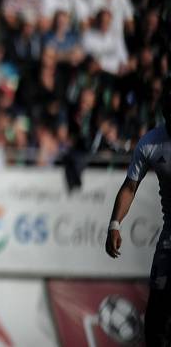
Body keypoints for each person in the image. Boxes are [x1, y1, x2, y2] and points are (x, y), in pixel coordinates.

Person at [105, 79, 171, 346]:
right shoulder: (151, 144)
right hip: (170, 242)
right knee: (156, 321)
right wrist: (114, 225)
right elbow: (129, 187)